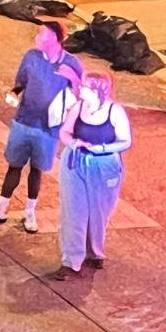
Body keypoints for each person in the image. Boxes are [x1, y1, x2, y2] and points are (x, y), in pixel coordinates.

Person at [0, 22, 83, 234]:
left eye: (42, 33)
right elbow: (20, 83)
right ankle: (0, 209)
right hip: (24, 120)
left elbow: (81, 95)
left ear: (55, 37)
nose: (37, 36)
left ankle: (30, 212)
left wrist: (73, 79)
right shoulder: (31, 57)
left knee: (37, 170)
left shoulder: (71, 63)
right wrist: (13, 92)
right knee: (13, 165)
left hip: (48, 128)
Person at [51, 71, 134, 280]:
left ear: (98, 90)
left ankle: (94, 251)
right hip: (76, 161)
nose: (81, 89)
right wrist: (73, 142)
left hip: (104, 164)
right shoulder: (78, 107)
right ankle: (71, 261)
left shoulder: (115, 111)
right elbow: (65, 131)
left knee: (99, 211)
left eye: (86, 87)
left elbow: (125, 141)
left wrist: (102, 148)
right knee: (74, 210)